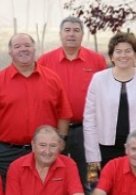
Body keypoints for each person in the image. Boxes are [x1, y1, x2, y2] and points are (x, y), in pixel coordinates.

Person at [0, 33, 72, 183]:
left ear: (35, 49)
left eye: (27, 45)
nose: (23, 50)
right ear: (10, 52)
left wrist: (60, 142)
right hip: (6, 153)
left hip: (43, 152)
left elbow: (64, 114)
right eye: (17, 46)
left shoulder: (53, 79)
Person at [83, 32, 136, 180]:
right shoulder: (98, 79)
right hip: (104, 149)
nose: (123, 55)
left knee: (135, 192)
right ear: (112, 56)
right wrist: (92, 157)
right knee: (101, 192)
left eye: (128, 51)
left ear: (135, 54)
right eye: (118, 51)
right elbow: (89, 119)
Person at [39, 15, 107, 172]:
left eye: (76, 30)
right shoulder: (45, 61)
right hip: (53, 129)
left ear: (82, 35)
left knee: (87, 175)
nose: (71, 34)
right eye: (67, 30)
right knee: (53, 173)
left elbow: (104, 95)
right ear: (60, 34)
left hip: (85, 129)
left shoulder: (96, 60)